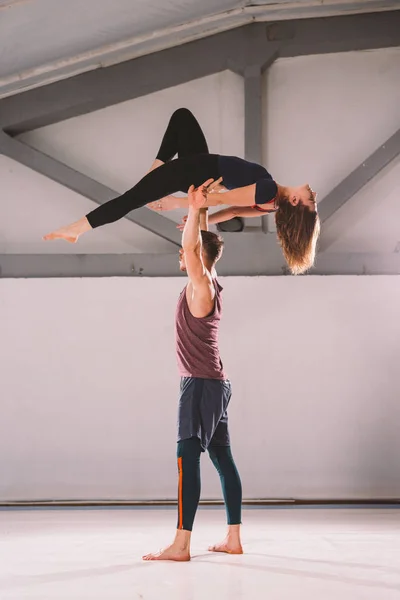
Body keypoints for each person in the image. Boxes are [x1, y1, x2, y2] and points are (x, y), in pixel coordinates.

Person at [44, 108, 320, 274]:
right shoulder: (270, 204)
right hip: (201, 164)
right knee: (182, 118)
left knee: (131, 200)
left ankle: (77, 229)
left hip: (192, 173)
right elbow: (233, 210)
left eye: (311, 200)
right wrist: (204, 219)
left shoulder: (268, 191)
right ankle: (154, 170)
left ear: (295, 201)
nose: (313, 194)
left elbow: (220, 197)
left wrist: (179, 204)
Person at [142, 181, 243, 562]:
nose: (180, 257)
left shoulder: (200, 285)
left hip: (200, 384)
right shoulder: (211, 282)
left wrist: (191, 204)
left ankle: (181, 544)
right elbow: (196, 241)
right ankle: (233, 538)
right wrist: (198, 209)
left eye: (185, 254)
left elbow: (191, 246)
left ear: (197, 257)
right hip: (215, 383)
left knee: (188, 459)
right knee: (222, 459)